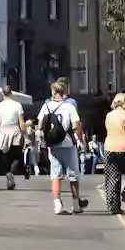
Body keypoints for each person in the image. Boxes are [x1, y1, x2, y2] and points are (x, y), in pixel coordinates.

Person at [38, 78, 84, 214]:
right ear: (64, 92)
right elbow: (76, 126)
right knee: (73, 175)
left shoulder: (46, 106)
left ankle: (57, 204)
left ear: (53, 92)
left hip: (53, 144)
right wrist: (80, 141)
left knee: (56, 175)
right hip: (68, 143)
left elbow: (40, 125)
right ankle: (75, 204)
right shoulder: (69, 106)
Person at [0, 85, 26, 190]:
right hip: (15, 130)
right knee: (16, 155)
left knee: (6, 156)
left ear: (2, 93)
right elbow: (21, 123)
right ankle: (12, 172)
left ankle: (8, 174)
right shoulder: (17, 105)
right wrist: (24, 134)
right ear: (11, 93)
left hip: (4, 131)